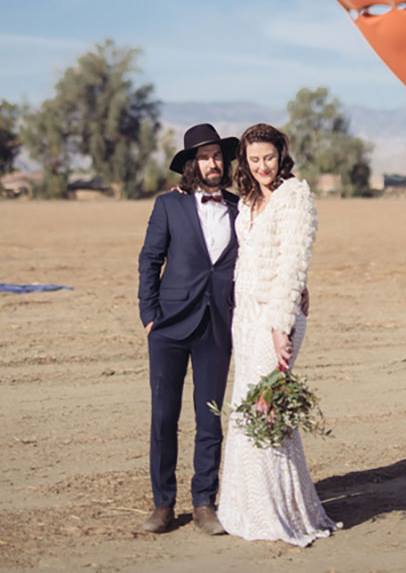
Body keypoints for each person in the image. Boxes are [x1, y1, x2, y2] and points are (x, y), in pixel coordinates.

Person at [217, 123, 337, 546]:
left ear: (281, 155)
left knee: (265, 405)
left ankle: (278, 512)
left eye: (268, 157)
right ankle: (246, 507)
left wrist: (281, 326)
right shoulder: (250, 199)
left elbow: (292, 263)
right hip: (246, 314)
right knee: (245, 405)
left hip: (276, 313)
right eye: (254, 159)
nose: (262, 166)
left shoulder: (294, 197)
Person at [137, 123, 239, 536]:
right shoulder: (168, 205)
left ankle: (203, 503)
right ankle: (163, 504)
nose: (213, 163)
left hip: (218, 325)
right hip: (169, 325)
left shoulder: (240, 208)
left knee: (210, 418)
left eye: (217, 156)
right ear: (191, 165)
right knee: (164, 417)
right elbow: (149, 259)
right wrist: (149, 315)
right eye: (204, 157)